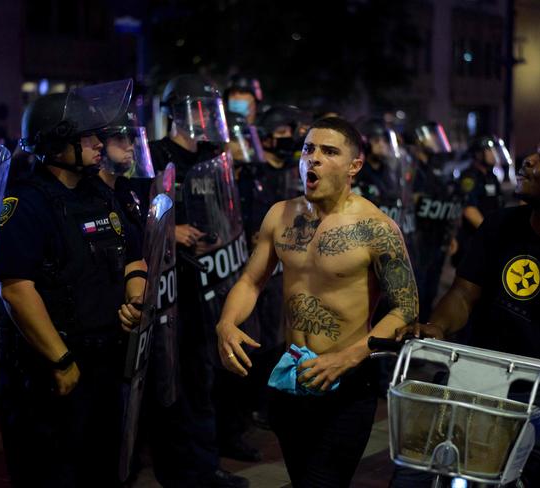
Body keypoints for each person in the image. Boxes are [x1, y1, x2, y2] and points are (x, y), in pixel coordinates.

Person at [216, 117, 419, 487]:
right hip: (290, 378)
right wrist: (227, 323)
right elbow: (250, 280)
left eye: (329, 152)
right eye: (309, 149)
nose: (314, 159)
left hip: (347, 383)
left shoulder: (376, 228)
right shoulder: (280, 214)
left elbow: (406, 308)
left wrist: (350, 356)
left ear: (354, 166)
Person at [0, 80, 147, 487]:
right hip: (55, 368)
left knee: (104, 467)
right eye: (89, 136)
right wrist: (61, 361)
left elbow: (134, 254)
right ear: (57, 144)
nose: (100, 143)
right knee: (56, 470)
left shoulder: (100, 193)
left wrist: (136, 296)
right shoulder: (27, 203)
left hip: (106, 360)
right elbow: (15, 288)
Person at [391, 149, 540, 487]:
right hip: (478, 376)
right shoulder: (502, 223)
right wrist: (438, 326)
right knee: (414, 471)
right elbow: (463, 294)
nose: (528, 161)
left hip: (536, 392)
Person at [147, 74, 250, 488]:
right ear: (178, 112)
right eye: (200, 108)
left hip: (211, 282)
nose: (207, 117)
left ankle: (204, 467)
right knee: (175, 385)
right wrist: (168, 230)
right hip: (172, 291)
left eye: (212, 109)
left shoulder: (213, 156)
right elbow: (136, 211)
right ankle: (180, 471)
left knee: (202, 381)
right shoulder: (154, 156)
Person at [409, 122, 462, 321]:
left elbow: (445, 203)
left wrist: (451, 235)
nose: (436, 141)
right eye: (432, 136)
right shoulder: (411, 168)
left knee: (430, 292)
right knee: (418, 292)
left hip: (436, 238)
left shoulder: (434, 169)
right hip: (417, 239)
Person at [453, 135, 506, 267]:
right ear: (478, 154)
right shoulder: (470, 177)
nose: (494, 154)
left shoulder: (491, 177)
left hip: (488, 240)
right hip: (472, 241)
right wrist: (491, 232)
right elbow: (469, 209)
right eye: (490, 150)